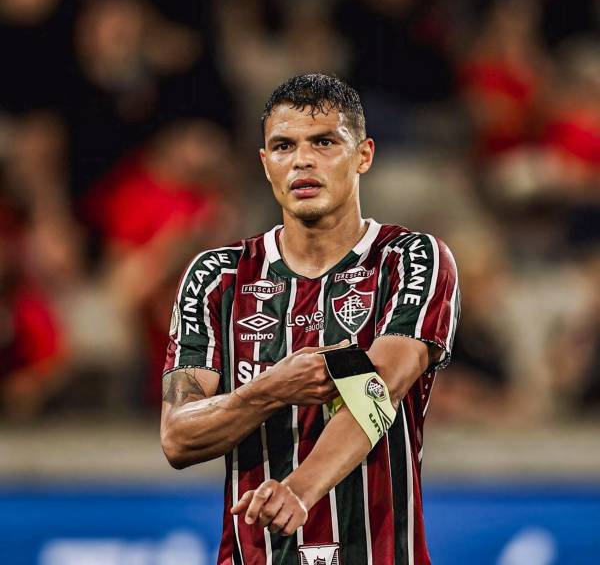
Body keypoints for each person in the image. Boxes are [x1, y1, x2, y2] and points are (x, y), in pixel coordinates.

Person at [161, 74, 460, 565]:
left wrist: (300, 488)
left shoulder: (410, 258)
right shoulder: (218, 276)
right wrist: (270, 389)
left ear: (363, 155)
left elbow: (380, 389)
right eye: (284, 146)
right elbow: (178, 436)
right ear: (265, 164)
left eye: (324, 142)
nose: (302, 160)